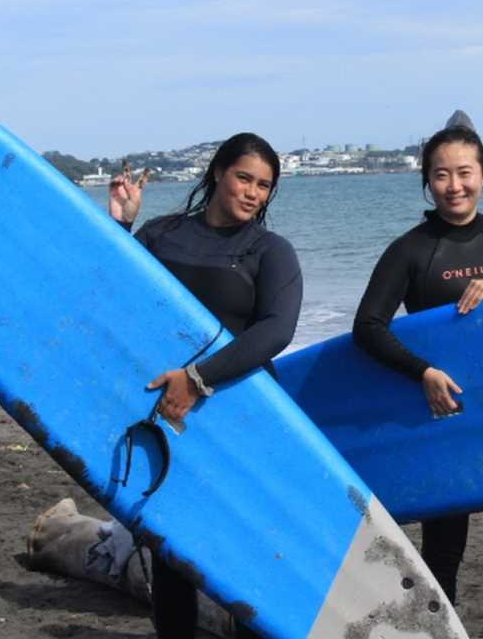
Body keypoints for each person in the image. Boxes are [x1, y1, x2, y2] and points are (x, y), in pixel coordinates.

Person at [352, 119, 483, 639]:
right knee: (442, 552)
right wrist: (423, 371)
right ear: (427, 182)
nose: (454, 185)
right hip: (441, 415)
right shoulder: (411, 250)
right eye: (441, 175)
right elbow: (367, 328)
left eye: (465, 172)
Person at [108, 133, 302, 639]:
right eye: (244, 178)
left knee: (242, 546)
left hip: (242, 410)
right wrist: (122, 224)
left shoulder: (269, 251)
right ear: (218, 172)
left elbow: (276, 330)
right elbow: (119, 294)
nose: (253, 193)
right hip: (168, 412)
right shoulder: (162, 233)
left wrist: (197, 379)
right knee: (170, 545)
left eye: (264, 186)